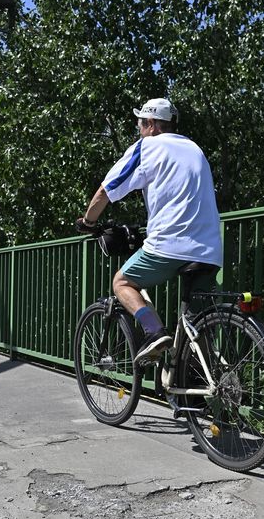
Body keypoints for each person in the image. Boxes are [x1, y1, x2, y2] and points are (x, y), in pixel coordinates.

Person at [76, 98, 222, 364]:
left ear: (152, 125)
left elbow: (106, 191)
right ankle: (191, 395)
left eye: (140, 124)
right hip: (210, 249)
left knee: (121, 282)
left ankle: (154, 332)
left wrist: (88, 222)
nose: (139, 130)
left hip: (170, 245)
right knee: (194, 326)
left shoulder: (148, 146)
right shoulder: (194, 148)